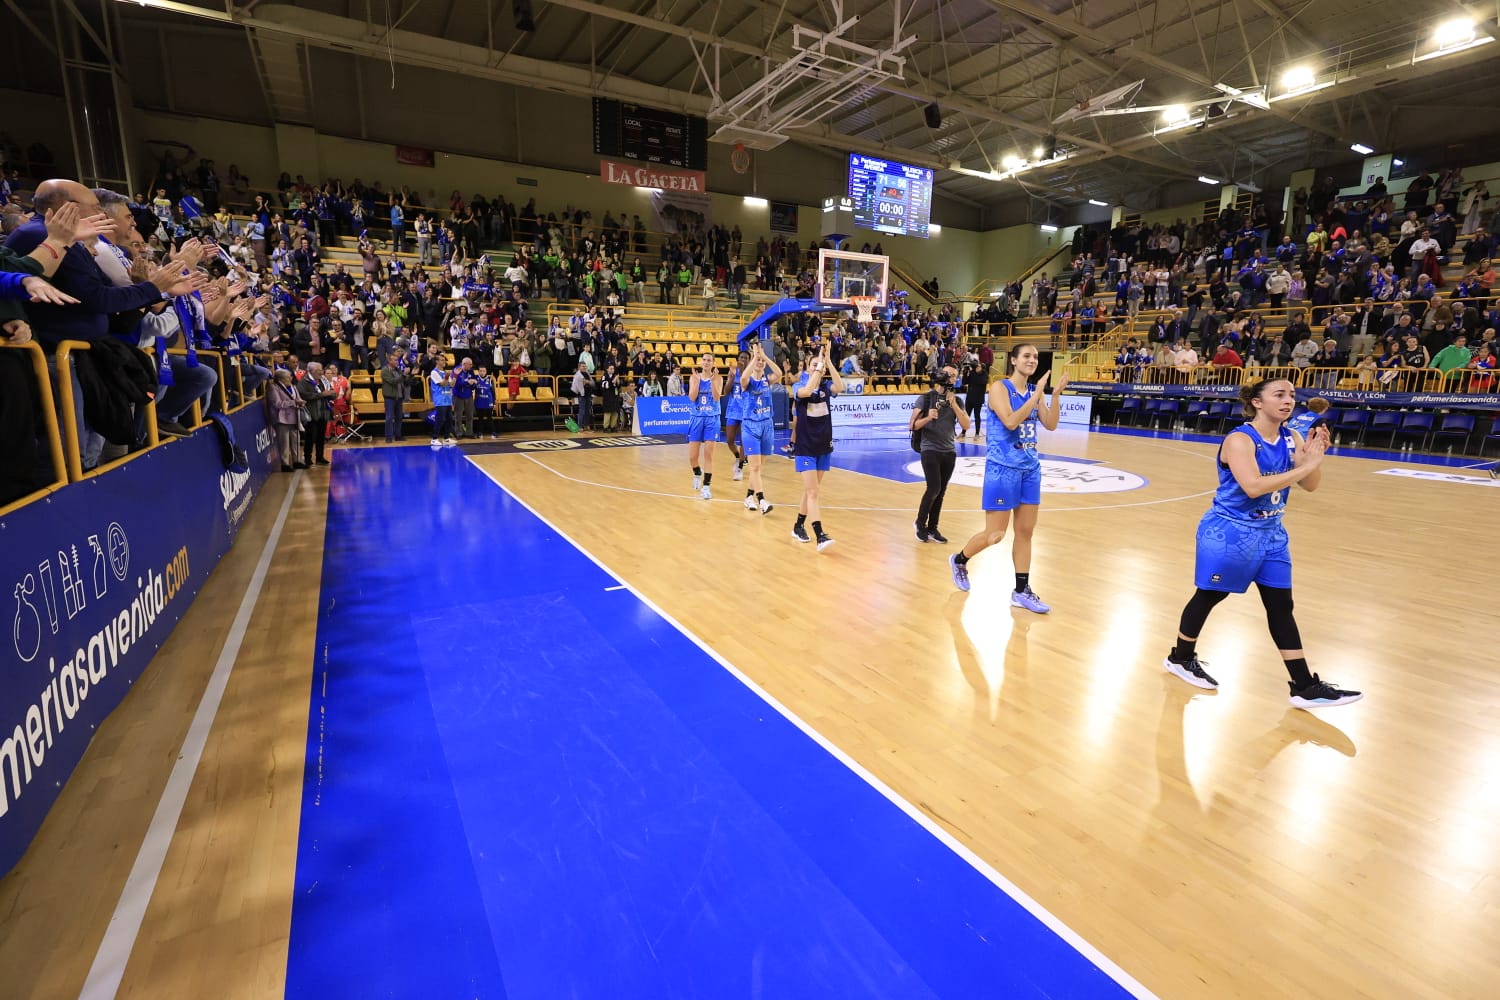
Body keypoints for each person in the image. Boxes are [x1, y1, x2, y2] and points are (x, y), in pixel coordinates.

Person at [1162, 377, 1362, 708]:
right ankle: (1180, 657)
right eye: (1279, 394)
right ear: (1257, 402)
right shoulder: (1240, 439)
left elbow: (1310, 485)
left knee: (1281, 606)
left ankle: (1303, 685)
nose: (1288, 400)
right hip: (1230, 533)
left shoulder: (1292, 436)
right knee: (1210, 596)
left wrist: (1315, 458)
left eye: (1292, 396)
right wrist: (1304, 466)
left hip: (1272, 535)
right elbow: (1253, 486)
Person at [948, 344, 1063, 614]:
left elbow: (1051, 424)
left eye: (1035, 357)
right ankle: (959, 559)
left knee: (1025, 532)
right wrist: (1036, 396)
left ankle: (1021, 590)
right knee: (995, 535)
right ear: (1014, 360)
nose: (1032, 360)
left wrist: (1054, 395)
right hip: (1002, 468)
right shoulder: (1000, 388)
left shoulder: (1034, 392)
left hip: (1030, 468)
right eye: (1026, 356)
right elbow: (1011, 421)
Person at [790, 340, 845, 551]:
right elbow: (807, 390)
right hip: (805, 446)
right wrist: (818, 366)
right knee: (812, 492)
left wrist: (828, 361)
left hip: (823, 445)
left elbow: (840, 386)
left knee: (811, 490)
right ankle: (819, 534)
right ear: (807, 367)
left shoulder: (825, 387)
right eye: (814, 365)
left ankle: (797, 526)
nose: (818, 368)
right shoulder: (799, 387)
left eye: (818, 365)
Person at [911, 364, 971, 543]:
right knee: (934, 488)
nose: (953, 378)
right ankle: (920, 524)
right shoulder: (926, 398)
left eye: (955, 375)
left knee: (941, 491)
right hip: (930, 449)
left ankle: (933, 528)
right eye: (950, 375)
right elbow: (912, 425)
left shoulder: (957, 401)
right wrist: (928, 417)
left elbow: (966, 425)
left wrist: (954, 405)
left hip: (949, 451)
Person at [738, 339, 780, 515]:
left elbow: (778, 373)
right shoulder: (747, 381)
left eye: (762, 361)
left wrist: (764, 356)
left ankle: (748, 497)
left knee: (758, 467)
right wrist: (755, 357)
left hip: (766, 425)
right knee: (754, 467)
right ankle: (762, 500)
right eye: (757, 360)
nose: (760, 362)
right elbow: (743, 378)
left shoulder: (766, 379)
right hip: (750, 426)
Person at [686, 353, 722, 498]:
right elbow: (692, 397)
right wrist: (697, 382)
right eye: (704, 360)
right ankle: (697, 473)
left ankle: (706, 486)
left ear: (713, 363)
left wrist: (712, 381)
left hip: (712, 419)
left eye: (709, 360)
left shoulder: (718, 378)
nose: (706, 362)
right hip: (697, 418)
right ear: (701, 362)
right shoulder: (694, 378)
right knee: (692, 457)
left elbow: (716, 397)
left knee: (708, 454)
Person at [723, 350, 749, 481]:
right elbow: (726, 391)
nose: (743, 359)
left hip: (746, 411)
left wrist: (744, 371)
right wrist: (732, 377)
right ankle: (738, 456)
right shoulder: (733, 372)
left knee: (744, 441)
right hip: (733, 410)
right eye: (741, 357)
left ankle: (740, 468)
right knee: (730, 440)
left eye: (745, 358)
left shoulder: (751, 373)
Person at [429, 354, 455, 447]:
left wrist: (455, 375)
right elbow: (443, 384)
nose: (444, 362)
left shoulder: (445, 372)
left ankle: (446, 438)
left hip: (448, 399)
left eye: (444, 360)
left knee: (449, 419)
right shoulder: (434, 372)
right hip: (440, 399)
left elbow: (451, 385)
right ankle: (434, 438)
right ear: (437, 361)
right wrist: (447, 377)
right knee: (440, 419)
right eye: (442, 360)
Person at [380, 350, 406, 442]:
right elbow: (392, 381)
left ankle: (398, 436)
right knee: (389, 418)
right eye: (395, 360)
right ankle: (389, 437)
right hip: (389, 398)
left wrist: (409, 376)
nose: (397, 362)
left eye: (397, 360)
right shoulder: (384, 371)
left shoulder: (398, 370)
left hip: (399, 397)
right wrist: (403, 375)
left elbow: (402, 382)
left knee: (399, 418)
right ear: (389, 361)